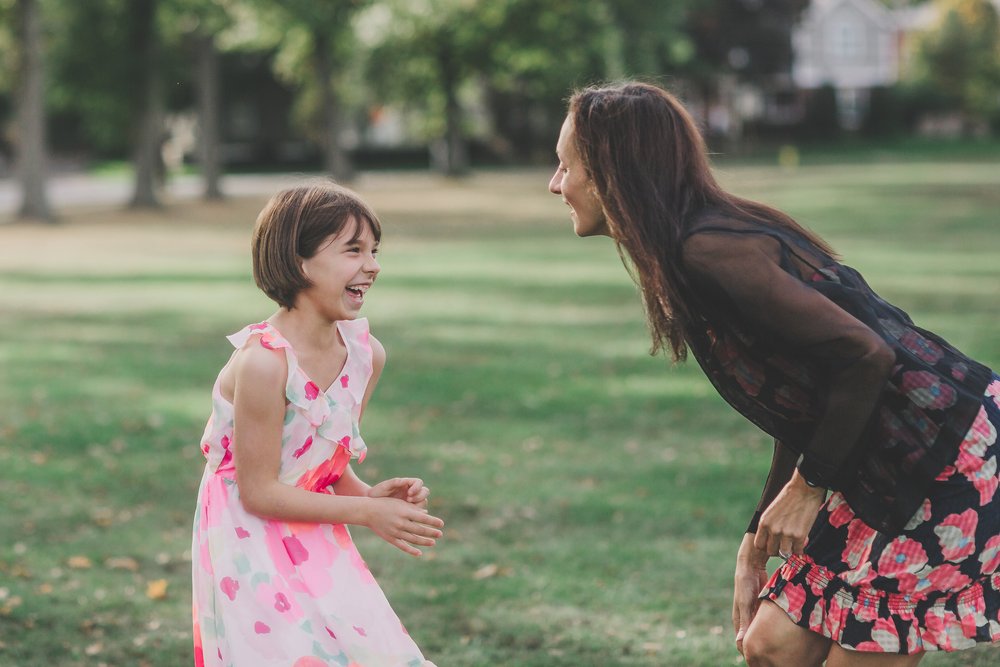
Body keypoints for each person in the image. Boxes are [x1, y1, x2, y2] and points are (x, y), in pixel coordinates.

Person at [549, 81, 999, 666]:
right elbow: (806, 393)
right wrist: (755, 535)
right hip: (881, 451)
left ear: (613, 173)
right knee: (770, 648)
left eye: (566, 167)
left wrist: (809, 490)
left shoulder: (706, 251)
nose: (556, 185)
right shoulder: (692, 248)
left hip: (946, 454)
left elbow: (865, 356)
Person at [191, 183, 444, 667]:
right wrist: (364, 514)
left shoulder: (366, 355)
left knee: (364, 649)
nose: (372, 265)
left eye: (374, 251)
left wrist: (369, 496)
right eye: (353, 250)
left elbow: (327, 463)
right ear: (300, 262)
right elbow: (259, 492)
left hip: (312, 529)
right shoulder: (264, 363)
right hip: (248, 541)